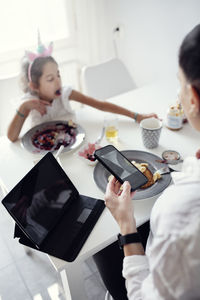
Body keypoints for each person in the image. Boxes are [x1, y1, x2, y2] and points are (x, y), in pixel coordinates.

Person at [95, 24, 200, 300]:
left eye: (179, 84)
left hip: (151, 277)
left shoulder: (180, 216)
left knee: (100, 245)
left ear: (193, 98)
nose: (178, 97)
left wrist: (126, 224)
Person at [7, 40, 157, 142]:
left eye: (58, 74)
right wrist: (23, 108)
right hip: (44, 155)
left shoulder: (65, 94)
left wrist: (137, 116)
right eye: (50, 79)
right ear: (34, 86)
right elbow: (12, 137)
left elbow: (100, 105)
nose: (58, 81)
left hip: (70, 146)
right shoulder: (29, 103)